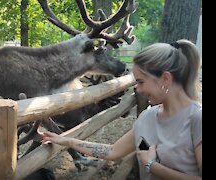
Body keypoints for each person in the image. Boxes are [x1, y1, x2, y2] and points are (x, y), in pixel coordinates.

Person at [42, 39, 202, 180]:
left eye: (141, 82)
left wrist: (151, 165)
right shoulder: (148, 117)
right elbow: (112, 151)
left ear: (165, 79)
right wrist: (67, 141)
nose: (138, 90)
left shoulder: (197, 119)